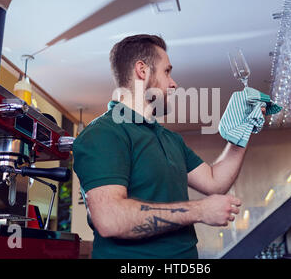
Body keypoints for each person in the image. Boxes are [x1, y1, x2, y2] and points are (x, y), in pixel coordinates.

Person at [73, 34, 260, 259]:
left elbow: (215, 182)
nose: (173, 83)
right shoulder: (104, 132)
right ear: (143, 71)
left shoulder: (170, 139)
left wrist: (244, 129)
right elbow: (110, 219)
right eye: (167, 71)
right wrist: (200, 210)